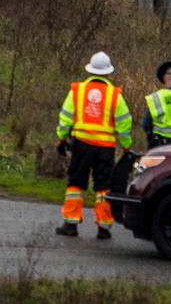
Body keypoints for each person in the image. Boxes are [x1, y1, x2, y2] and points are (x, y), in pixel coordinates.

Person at [55, 52, 132, 240]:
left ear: (90, 69)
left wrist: (61, 138)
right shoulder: (115, 95)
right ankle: (104, 227)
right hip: (105, 148)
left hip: (81, 144)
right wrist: (127, 146)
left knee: (75, 183)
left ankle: (70, 224)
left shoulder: (77, 90)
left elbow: (66, 117)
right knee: (103, 187)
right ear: (108, 73)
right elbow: (124, 123)